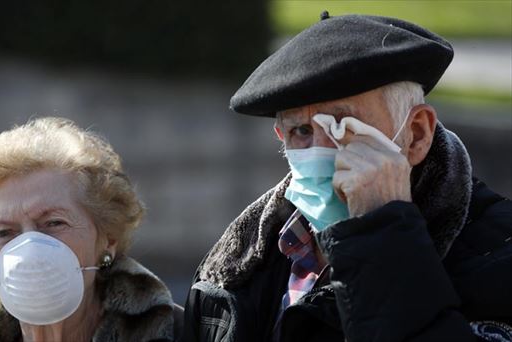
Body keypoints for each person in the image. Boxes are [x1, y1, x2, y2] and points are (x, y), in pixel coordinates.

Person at [182, 12, 512, 342]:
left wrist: (380, 232)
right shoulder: (232, 267)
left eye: (342, 126)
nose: (321, 151)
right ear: (281, 138)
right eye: (301, 130)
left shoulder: (498, 256)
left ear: (416, 133)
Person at [0, 117, 183, 341]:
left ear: (107, 238)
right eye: (3, 233)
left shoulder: (180, 333)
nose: (30, 249)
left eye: (54, 223)